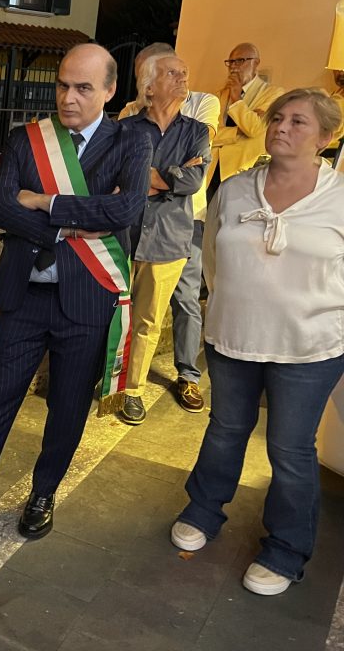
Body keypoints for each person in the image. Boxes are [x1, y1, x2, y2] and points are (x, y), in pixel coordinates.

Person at [0, 43, 151, 543]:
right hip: (26, 297)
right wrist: (71, 224)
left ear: (109, 90)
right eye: (62, 84)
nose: (69, 97)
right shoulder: (26, 139)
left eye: (83, 87)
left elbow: (125, 213)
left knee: (68, 405)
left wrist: (43, 202)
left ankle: (43, 492)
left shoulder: (131, 143)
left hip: (87, 299)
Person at [171, 89, 344, 596]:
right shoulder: (237, 190)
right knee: (225, 429)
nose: (282, 128)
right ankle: (203, 510)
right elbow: (212, 256)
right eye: (277, 118)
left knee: (289, 450)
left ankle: (286, 549)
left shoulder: (338, 199)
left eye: (298, 122)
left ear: (327, 138)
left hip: (308, 347)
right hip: (234, 336)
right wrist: (231, 305)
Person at [116, 54, 210, 424]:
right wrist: (167, 177)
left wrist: (147, 177)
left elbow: (194, 181)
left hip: (168, 239)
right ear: (149, 87)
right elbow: (118, 175)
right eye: (173, 73)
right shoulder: (127, 128)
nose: (183, 77)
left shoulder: (196, 132)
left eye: (185, 72)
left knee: (148, 319)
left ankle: (131, 390)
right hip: (123, 233)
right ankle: (105, 378)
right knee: (111, 313)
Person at [209, 43, 284, 188]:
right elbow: (208, 134)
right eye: (230, 62)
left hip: (242, 170)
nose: (233, 67)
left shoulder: (273, 94)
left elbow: (254, 129)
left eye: (240, 61)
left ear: (256, 63)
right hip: (212, 167)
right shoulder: (218, 95)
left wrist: (237, 99)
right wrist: (238, 131)